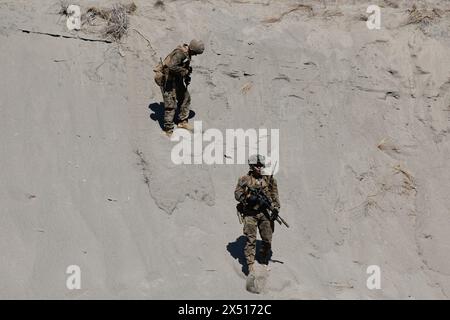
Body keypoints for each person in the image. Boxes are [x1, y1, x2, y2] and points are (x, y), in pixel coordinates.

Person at [234, 155, 280, 274]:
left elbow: (274, 194)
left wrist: (276, 209)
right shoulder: (245, 179)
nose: (259, 168)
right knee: (251, 239)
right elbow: (237, 194)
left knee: (267, 238)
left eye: (261, 166)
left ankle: (263, 258)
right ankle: (250, 266)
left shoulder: (268, 179)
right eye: (257, 166)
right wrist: (249, 198)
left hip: (265, 212)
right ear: (252, 166)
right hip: (250, 213)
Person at [155, 39, 205, 137]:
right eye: (196, 53)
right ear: (193, 50)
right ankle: (168, 130)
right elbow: (171, 67)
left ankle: (182, 122)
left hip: (176, 79)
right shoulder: (180, 54)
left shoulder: (187, 53)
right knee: (170, 105)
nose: (196, 55)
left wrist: (186, 75)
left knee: (185, 97)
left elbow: (181, 66)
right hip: (168, 80)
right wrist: (184, 72)